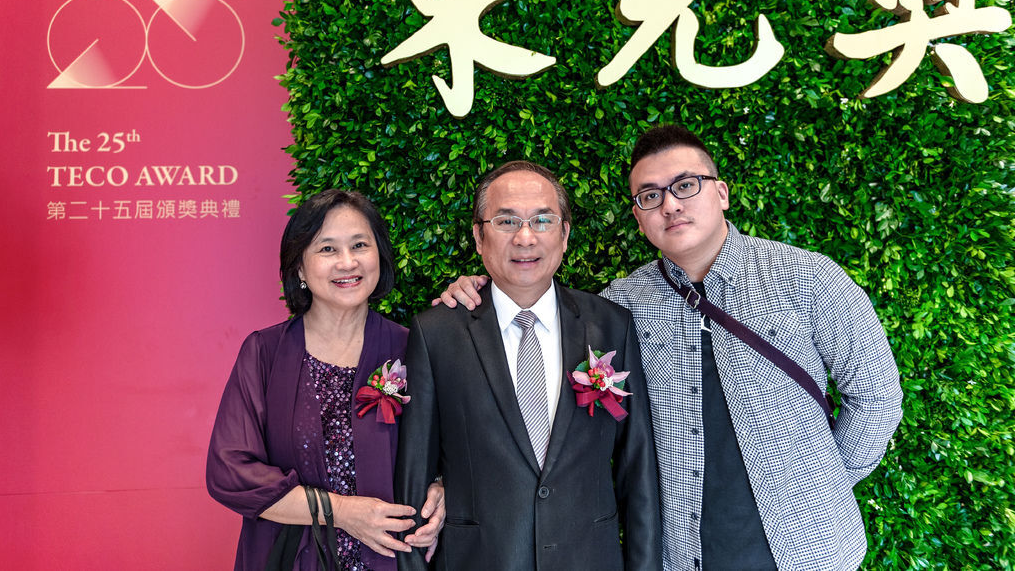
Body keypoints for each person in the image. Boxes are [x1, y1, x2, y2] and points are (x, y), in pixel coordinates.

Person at [438, 126, 904, 571]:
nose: (670, 205)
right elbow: (543, 343)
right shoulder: (621, 306)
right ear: (639, 219)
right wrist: (483, 295)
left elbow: (877, 396)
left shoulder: (807, 278)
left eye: (685, 185)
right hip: (682, 557)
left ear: (721, 193)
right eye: (650, 196)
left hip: (812, 552)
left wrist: (822, 486)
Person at [395, 161, 662, 571]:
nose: (525, 237)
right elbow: (415, 477)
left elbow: (637, 470)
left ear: (564, 235)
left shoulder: (610, 325)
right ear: (479, 236)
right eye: (506, 221)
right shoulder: (436, 334)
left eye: (542, 220)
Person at [207, 189, 446, 571]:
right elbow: (230, 471)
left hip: (391, 560)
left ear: (380, 257)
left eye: (360, 245)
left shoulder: (414, 349)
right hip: (290, 559)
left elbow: (452, 453)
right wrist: (342, 512)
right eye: (328, 249)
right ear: (300, 268)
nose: (347, 262)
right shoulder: (265, 352)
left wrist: (441, 491)